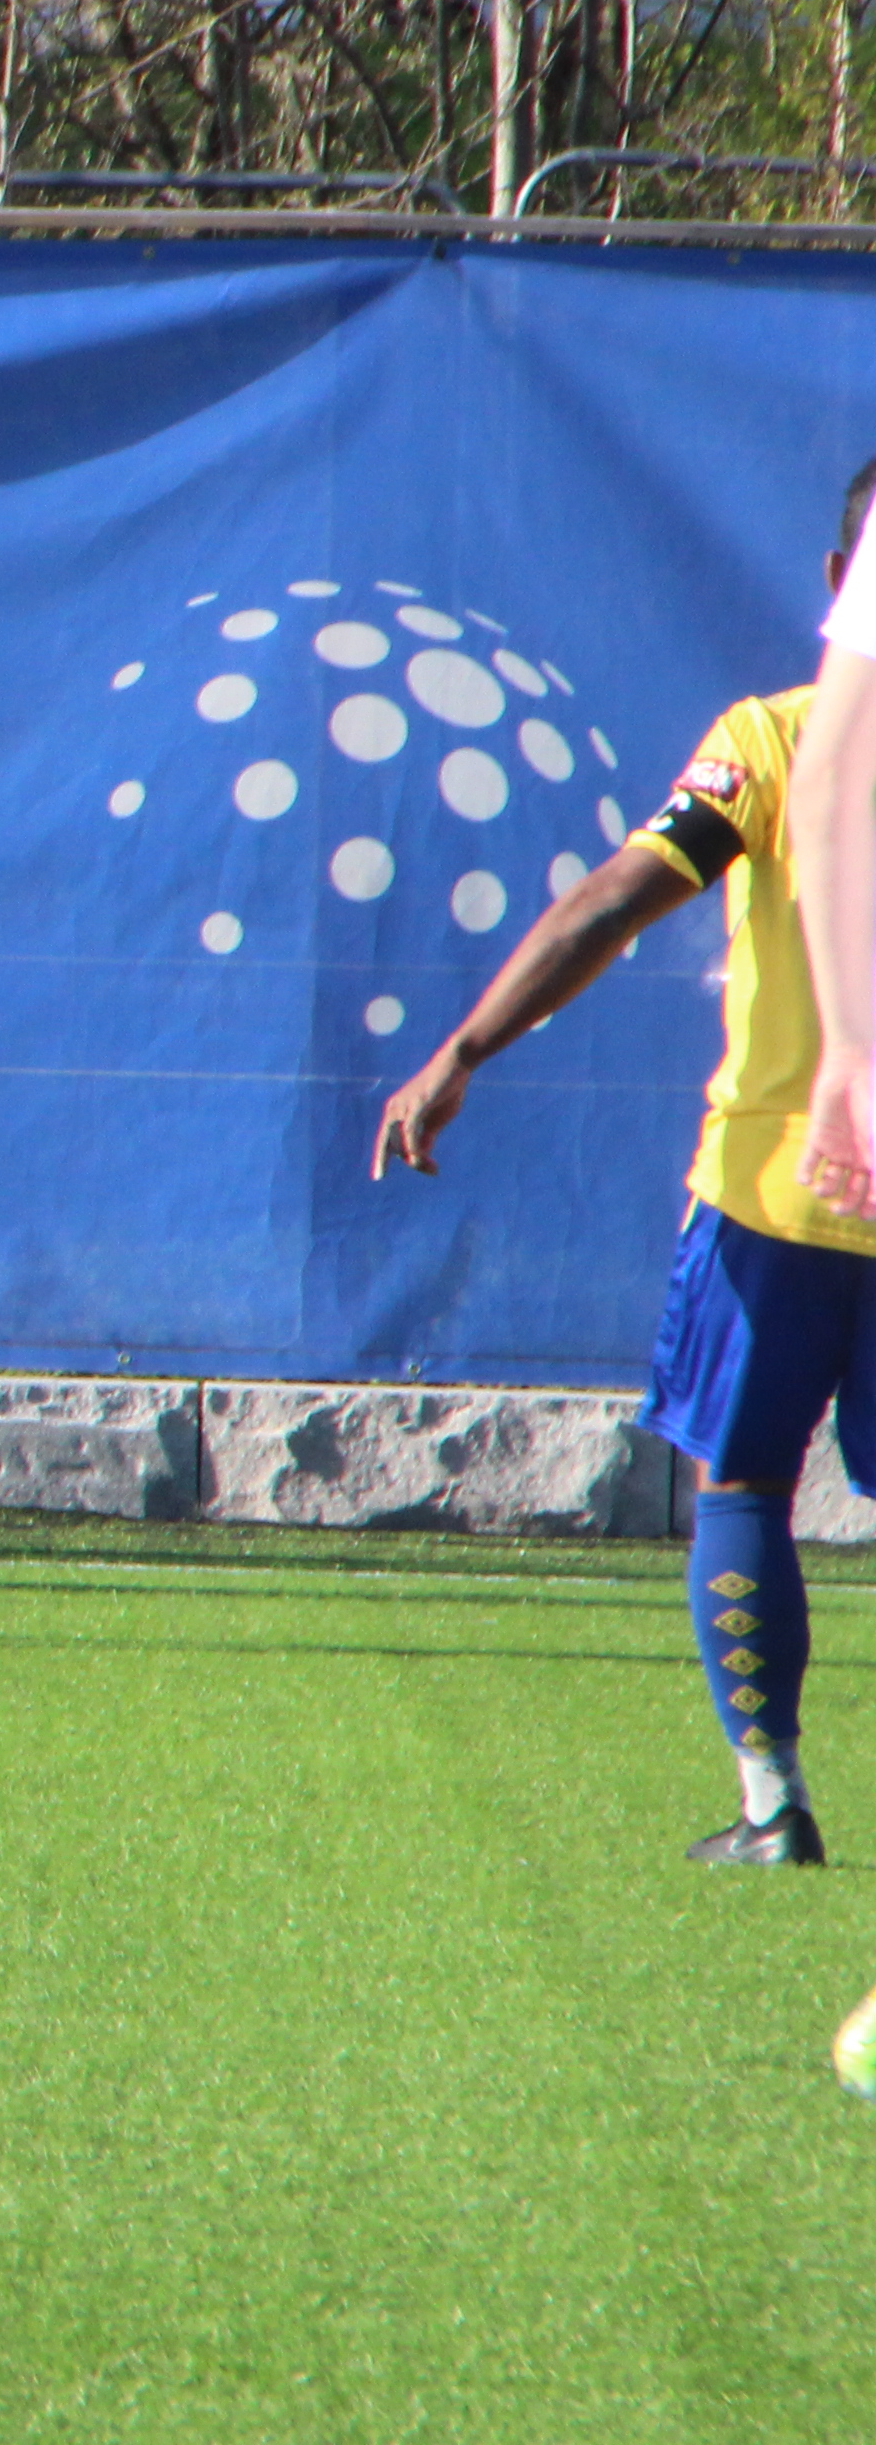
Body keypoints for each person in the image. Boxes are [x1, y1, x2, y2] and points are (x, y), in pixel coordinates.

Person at [397, 466, 876, 1866]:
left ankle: (771, 1803)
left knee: (741, 1486)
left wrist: (463, 1049)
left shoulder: (777, 745)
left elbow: (618, 898)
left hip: (777, 1194)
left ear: (837, 578)